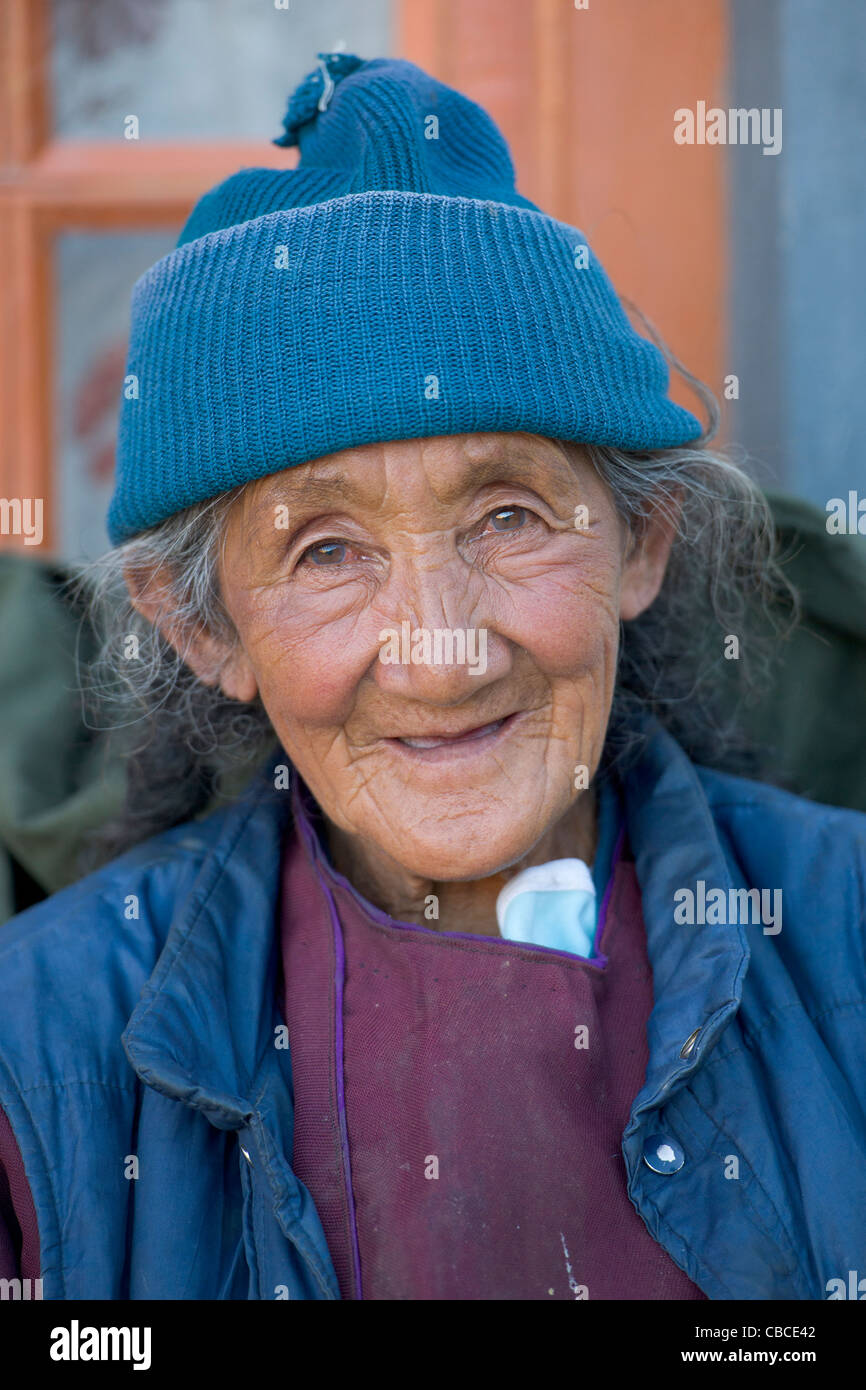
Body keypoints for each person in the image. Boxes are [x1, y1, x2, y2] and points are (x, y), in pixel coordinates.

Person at [0, 53, 864, 1302]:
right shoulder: (41, 1057)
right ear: (205, 629)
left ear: (642, 543)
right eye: (327, 551)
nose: (440, 647)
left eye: (509, 516)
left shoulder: (838, 934)